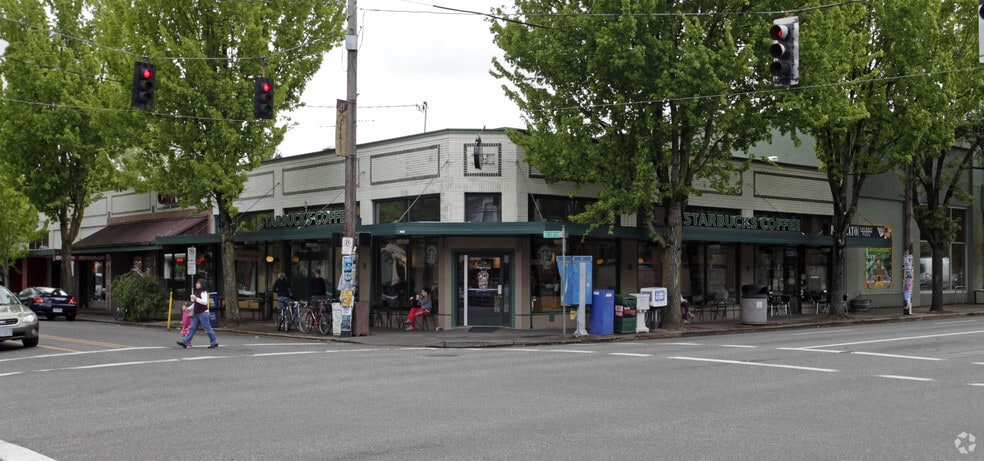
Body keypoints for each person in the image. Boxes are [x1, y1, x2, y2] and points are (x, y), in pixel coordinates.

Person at [177, 279, 218, 349]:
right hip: (197, 313)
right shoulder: (197, 292)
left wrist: (196, 298)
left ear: (202, 284)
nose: (196, 284)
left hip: (203, 313)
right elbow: (196, 303)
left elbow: (205, 302)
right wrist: (189, 308)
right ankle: (185, 342)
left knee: (207, 328)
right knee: (192, 328)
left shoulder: (204, 292)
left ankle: (214, 342)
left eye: (198, 283)